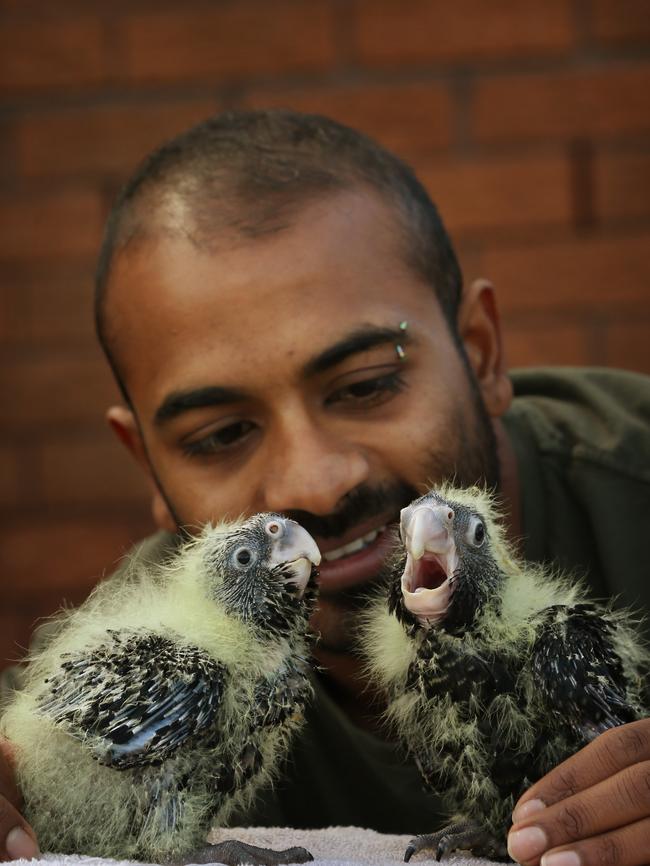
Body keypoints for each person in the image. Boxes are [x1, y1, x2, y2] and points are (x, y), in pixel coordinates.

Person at [1, 110, 649, 866]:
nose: (312, 482)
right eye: (221, 435)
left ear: (482, 354)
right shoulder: (134, 655)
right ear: (146, 463)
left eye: (366, 386)